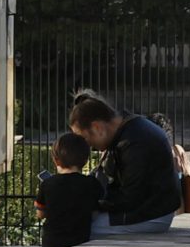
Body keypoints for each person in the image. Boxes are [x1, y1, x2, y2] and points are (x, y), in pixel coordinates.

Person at [68, 89, 181, 236]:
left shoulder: (135, 141)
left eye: (84, 138)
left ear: (97, 127)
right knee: (78, 222)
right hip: (148, 209)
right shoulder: (128, 132)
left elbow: (130, 196)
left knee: (79, 229)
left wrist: (91, 202)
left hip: (151, 214)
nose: (88, 146)